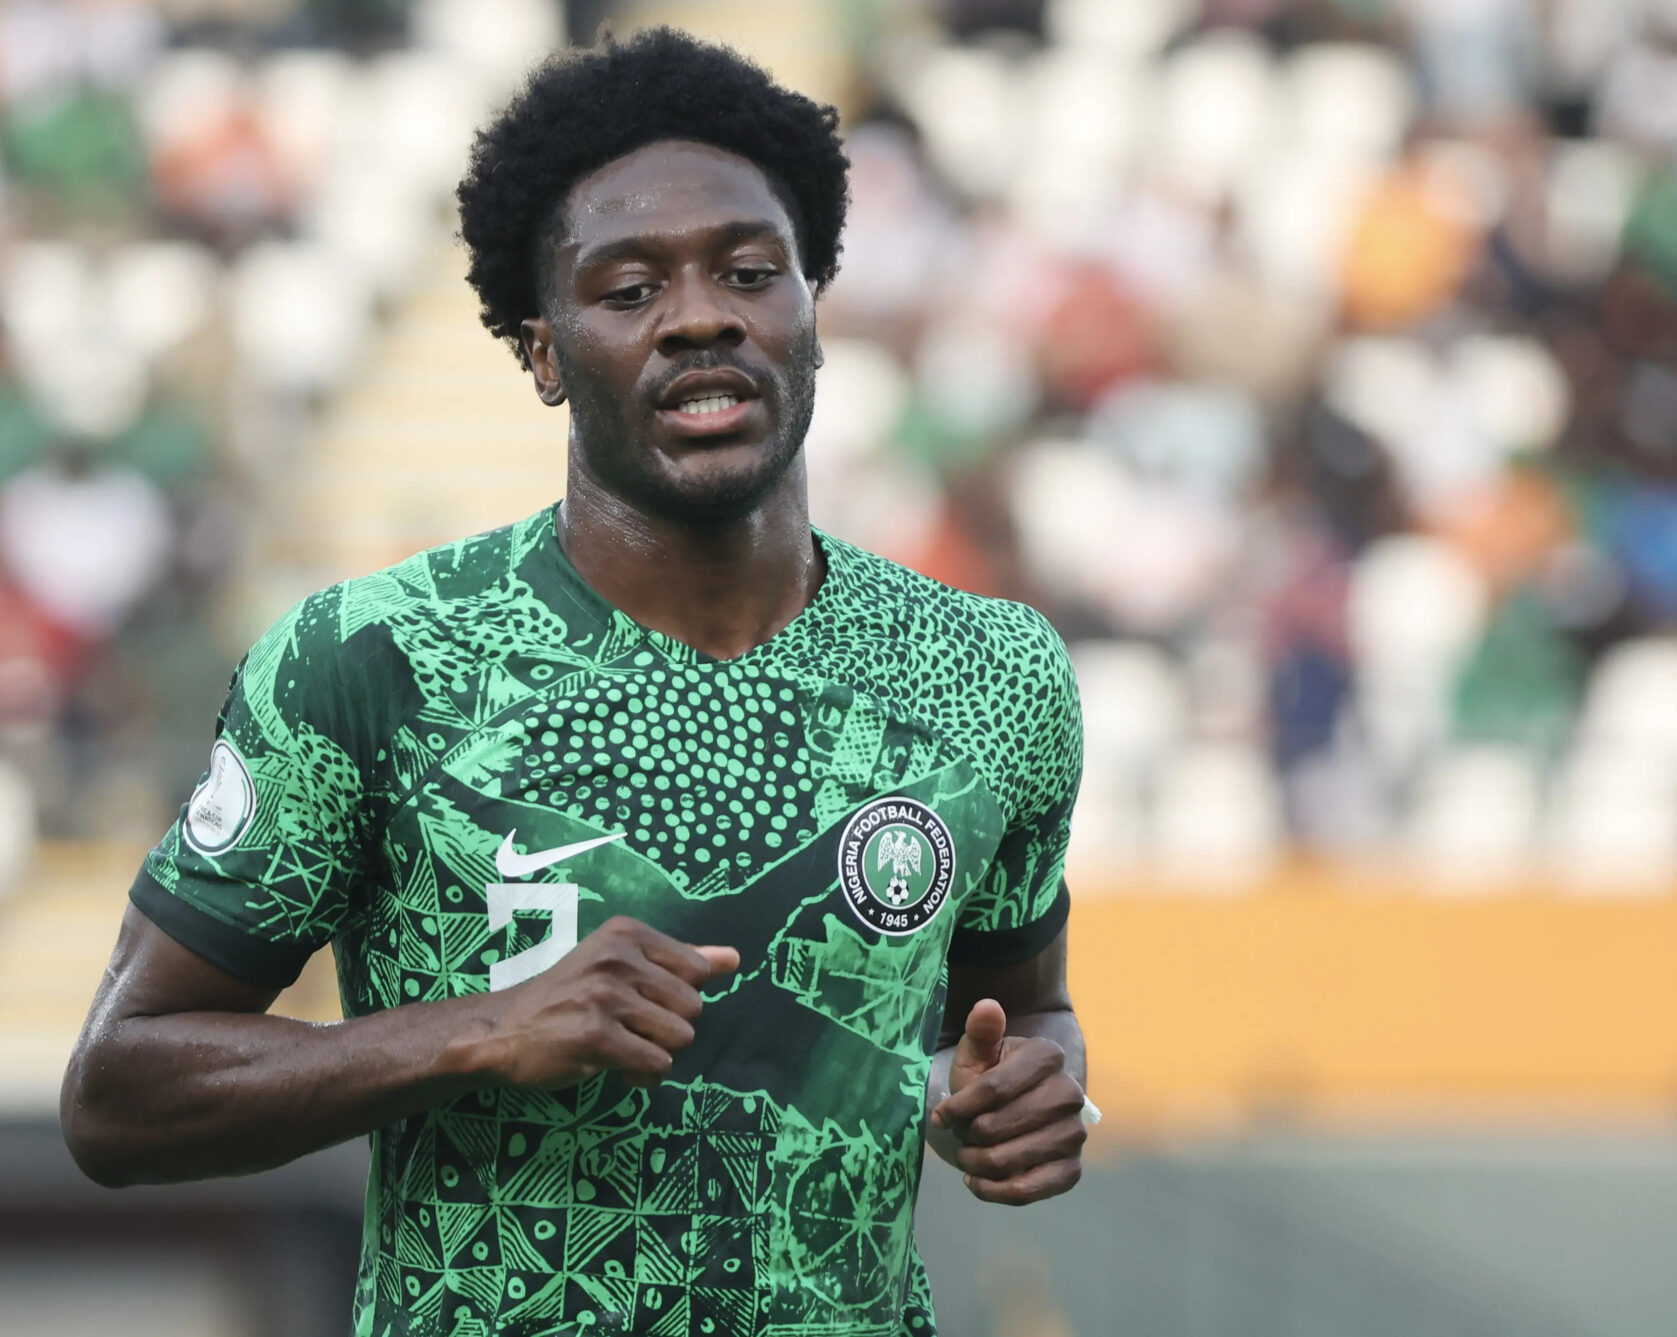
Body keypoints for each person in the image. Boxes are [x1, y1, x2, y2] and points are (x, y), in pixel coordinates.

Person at [62, 28, 1091, 1336]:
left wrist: (1024, 1090)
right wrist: (479, 1031)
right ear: (544, 352)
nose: (702, 315)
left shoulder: (992, 672)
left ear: (812, 309)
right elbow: (118, 1093)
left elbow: (1027, 1008)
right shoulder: (378, 658)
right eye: (629, 288)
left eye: (750, 272)